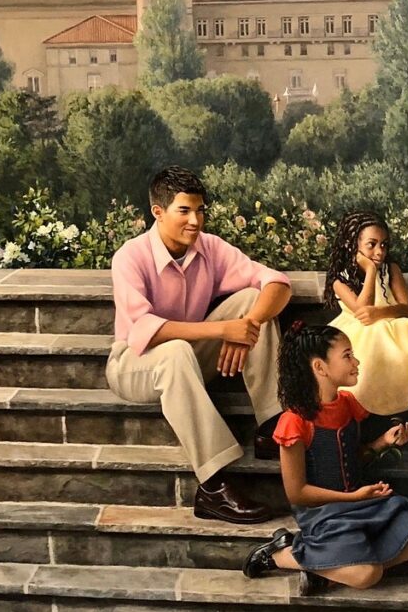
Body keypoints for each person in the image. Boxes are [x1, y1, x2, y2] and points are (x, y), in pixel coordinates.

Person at [107, 166, 291, 525]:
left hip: (189, 357)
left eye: (201, 210)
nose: (195, 221)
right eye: (184, 211)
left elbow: (277, 283)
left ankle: (272, 425)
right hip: (134, 364)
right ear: (157, 212)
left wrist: (248, 325)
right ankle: (213, 485)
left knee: (254, 299)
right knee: (174, 351)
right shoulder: (130, 257)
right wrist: (225, 330)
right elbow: (147, 331)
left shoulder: (209, 248)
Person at [243, 323, 408, 595]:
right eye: (347, 356)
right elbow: (298, 493)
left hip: (360, 503)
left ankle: (325, 576)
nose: (356, 361)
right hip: (325, 513)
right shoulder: (294, 422)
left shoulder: (348, 404)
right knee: (368, 574)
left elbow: (354, 458)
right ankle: (281, 554)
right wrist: (355, 498)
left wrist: (382, 443)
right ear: (320, 367)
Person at [324, 210, 408, 417]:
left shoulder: (391, 270)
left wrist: (380, 314)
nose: (380, 251)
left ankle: (390, 410)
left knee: (385, 340)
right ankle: (360, 410)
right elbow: (362, 310)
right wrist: (370, 271)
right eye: (372, 244)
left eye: (384, 244)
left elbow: (407, 309)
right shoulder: (339, 279)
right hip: (356, 331)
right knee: (363, 350)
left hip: (393, 328)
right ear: (353, 246)